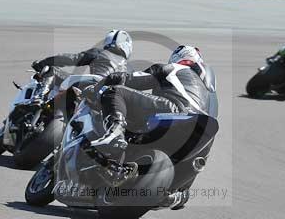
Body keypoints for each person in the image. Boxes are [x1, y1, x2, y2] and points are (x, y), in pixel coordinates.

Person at [88, 45, 216, 161]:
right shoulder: (207, 92)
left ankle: (115, 133)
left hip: (174, 109)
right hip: (199, 132)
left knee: (116, 92)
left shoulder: (173, 68)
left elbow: (129, 80)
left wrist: (96, 88)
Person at [31, 29, 133, 92]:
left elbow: (69, 59)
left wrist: (43, 63)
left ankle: (40, 95)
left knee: (51, 70)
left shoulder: (100, 53)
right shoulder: (127, 68)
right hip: (113, 96)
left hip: (92, 85)